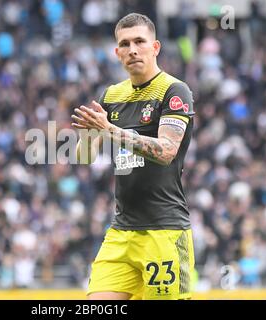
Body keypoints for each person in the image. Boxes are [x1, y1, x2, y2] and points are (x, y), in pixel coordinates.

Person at [71, 13, 195, 300]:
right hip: (122, 232)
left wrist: (110, 130)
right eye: (125, 44)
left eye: (140, 41)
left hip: (164, 231)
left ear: (156, 47)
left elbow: (166, 151)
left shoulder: (175, 90)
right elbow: (85, 159)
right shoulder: (111, 95)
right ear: (117, 53)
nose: (132, 50)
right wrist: (89, 133)